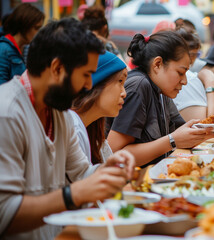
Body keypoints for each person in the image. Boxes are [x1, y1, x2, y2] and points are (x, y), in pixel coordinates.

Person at [0, 18, 135, 240]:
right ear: (57, 68)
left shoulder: (58, 113)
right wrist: (73, 195)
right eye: (85, 74)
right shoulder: (7, 113)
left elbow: (81, 174)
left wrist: (109, 168)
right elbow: (5, 214)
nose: (90, 85)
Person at [106, 31, 214, 167]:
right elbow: (114, 154)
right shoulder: (138, 86)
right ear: (157, 64)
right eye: (180, 73)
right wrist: (172, 141)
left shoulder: (162, 91)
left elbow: (183, 135)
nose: (185, 81)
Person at [71, 51, 127, 165]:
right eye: (120, 81)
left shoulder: (94, 132)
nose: (124, 93)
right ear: (95, 83)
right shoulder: (73, 128)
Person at [0, 3, 44, 84]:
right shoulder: (3, 49)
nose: (38, 33)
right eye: (36, 28)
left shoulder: (26, 48)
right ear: (25, 25)